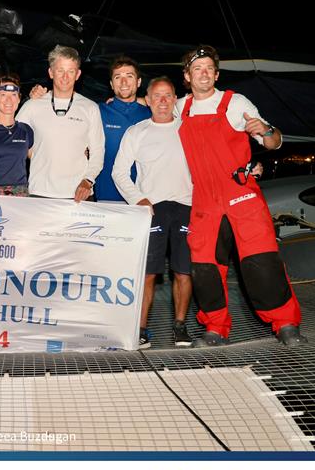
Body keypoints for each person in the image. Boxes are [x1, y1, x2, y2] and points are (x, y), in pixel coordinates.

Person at [176, 45, 304, 347]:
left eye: (209, 68)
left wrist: (267, 128)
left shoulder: (235, 103)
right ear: (187, 76)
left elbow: (274, 143)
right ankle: (215, 328)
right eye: (197, 68)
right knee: (205, 268)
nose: (204, 73)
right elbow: (150, 112)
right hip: (204, 200)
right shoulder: (180, 108)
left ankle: (285, 323)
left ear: (216, 74)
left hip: (240, 194)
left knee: (261, 261)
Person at [112, 77, 193, 348]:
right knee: (148, 273)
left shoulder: (189, 129)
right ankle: (141, 328)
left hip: (186, 206)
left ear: (175, 99)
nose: (162, 101)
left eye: (167, 95)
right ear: (147, 100)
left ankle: (180, 327)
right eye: (156, 96)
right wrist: (139, 199)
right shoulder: (137, 132)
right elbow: (119, 172)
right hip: (151, 209)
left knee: (183, 271)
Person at [7, 45, 104, 201]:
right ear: (51, 72)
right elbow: (10, 139)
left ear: (78, 74)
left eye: (70, 71)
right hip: (40, 192)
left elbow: (98, 151)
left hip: (79, 195)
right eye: (60, 70)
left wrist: (88, 180)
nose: (65, 77)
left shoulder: (90, 108)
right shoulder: (32, 105)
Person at [95, 55, 152, 202]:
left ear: (139, 82)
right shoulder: (97, 112)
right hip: (106, 195)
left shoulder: (151, 114)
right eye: (118, 77)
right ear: (111, 84)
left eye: (129, 76)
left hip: (145, 198)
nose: (124, 82)